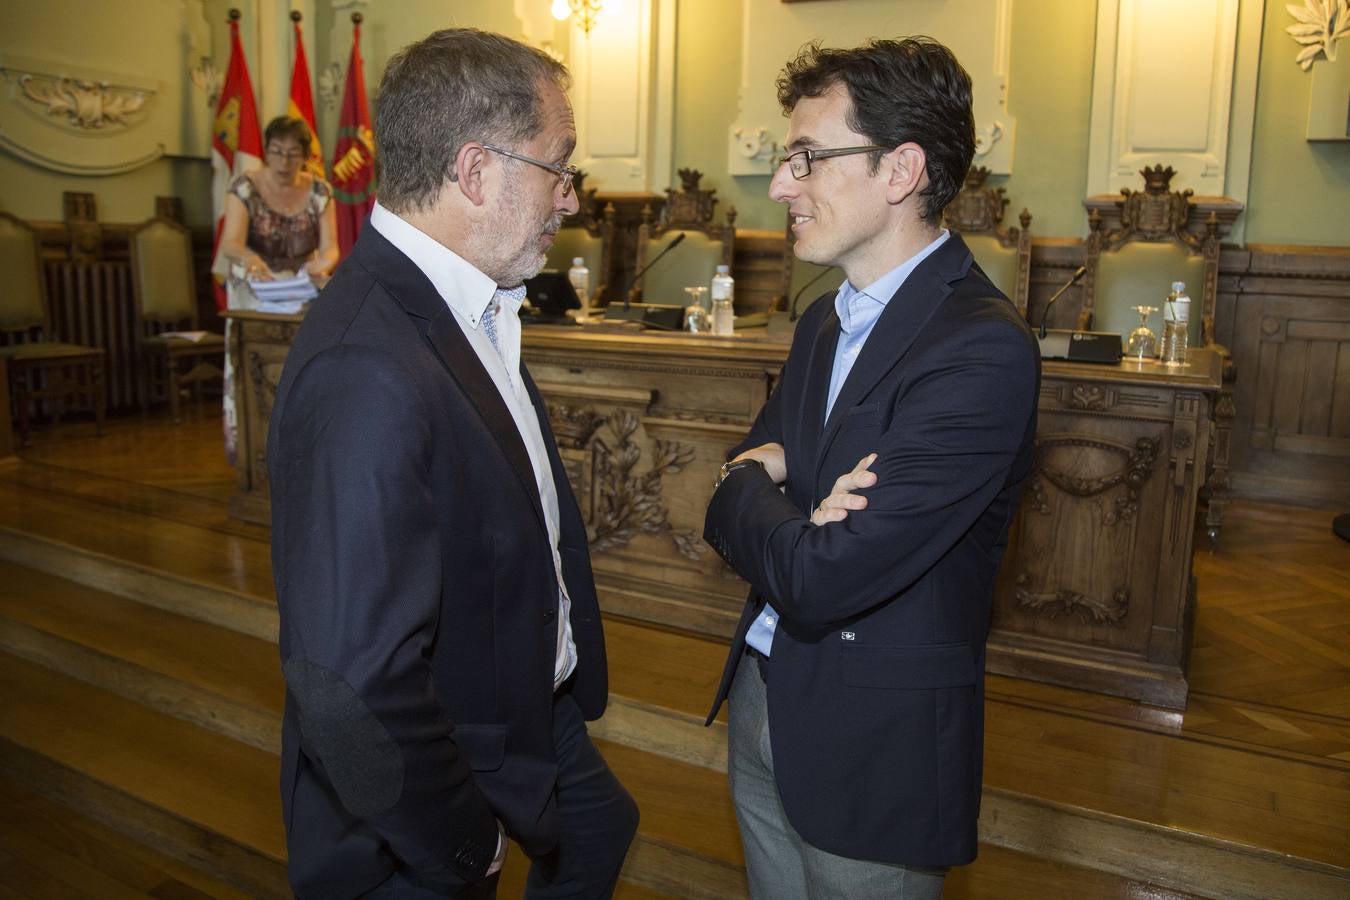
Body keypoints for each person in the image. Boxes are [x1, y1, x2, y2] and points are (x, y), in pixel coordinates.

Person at [267, 29, 638, 899]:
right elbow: (347, 682)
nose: (571, 198)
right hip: (431, 769)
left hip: (513, 700)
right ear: (477, 172)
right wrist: (465, 843)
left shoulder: (463, 300)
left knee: (600, 831)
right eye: (559, 165)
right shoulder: (368, 364)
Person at [703, 38, 1041, 898]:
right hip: (761, 692)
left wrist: (758, 477)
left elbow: (825, 576)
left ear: (901, 171)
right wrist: (765, 484)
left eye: (808, 157)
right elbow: (728, 497)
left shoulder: (981, 350)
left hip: (871, 739)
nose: (781, 184)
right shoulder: (822, 319)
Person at [218, 115, 338, 282]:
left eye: (293, 153)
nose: (284, 161)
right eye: (277, 151)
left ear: (305, 156)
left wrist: (322, 265)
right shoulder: (244, 187)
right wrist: (250, 259)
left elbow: (330, 249)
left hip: (303, 282)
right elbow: (231, 244)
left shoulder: (320, 191)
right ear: (266, 151)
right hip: (254, 281)